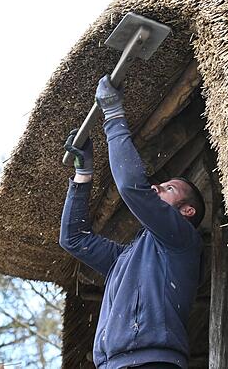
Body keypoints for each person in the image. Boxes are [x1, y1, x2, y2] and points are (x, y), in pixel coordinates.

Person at [59, 75, 205, 369]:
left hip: (154, 363)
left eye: (169, 188)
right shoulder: (125, 259)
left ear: (186, 211)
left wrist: (113, 114)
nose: (157, 187)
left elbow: (131, 187)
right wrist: (83, 175)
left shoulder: (181, 241)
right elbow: (73, 238)